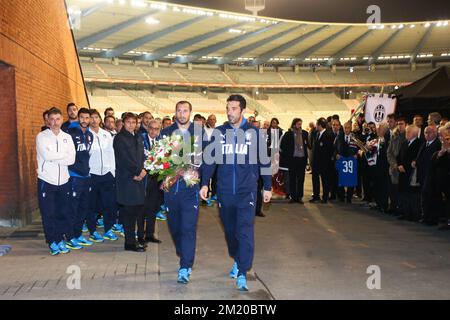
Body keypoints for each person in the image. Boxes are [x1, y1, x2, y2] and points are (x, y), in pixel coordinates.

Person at [200, 94, 272, 291]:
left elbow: (264, 160)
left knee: (245, 231)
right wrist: (205, 183)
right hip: (224, 192)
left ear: (242, 111)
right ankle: (237, 257)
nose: (229, 112)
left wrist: (267, 185)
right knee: (231, 232)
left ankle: (242, 270)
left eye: (233, 108)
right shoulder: (219, 133)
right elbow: (210, 160)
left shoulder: (255, 133)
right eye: (228, 108)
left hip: (247, 192)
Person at [160, 101, 205, 284]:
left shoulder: (200, 133)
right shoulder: (166, 133)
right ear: (175, 112)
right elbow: (160, 158)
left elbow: (207, 159)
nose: (182, 113)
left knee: (188, 228)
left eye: (185, 110)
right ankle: (183, 250)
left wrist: (202, 178)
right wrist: (163, 176)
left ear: (190, 112)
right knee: (175, 227)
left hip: (190, 189)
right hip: (171, 189)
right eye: (179, 110)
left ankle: (185, 266)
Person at [36, 108, 76, 255]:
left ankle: (60, 239)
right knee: (49, 213)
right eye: (51, 119)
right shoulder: (42, 136)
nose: (54, 122)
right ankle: (52, 241)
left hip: (64, 181)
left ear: (61, 120)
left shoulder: (67, 137)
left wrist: (56, 156)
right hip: (47, 180)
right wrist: (62, 155)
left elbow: (71, 159)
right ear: (48, 120)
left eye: (57, 119)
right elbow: (46, 155)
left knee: (62, 212)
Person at [114, 112, 147, 252]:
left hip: (138, 178)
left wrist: (143, 170)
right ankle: (129, 243)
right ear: (123, 123)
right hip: (127, 179)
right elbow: (123, 159)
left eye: (134, 122)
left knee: (137, 211)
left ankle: (136, 239)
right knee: (128, 213)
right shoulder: (120, 138)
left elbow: (141, 156)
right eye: (129, 122)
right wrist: (136, 173)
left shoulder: (138, 137)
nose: (132, 125)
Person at [88, 110, 120, 243]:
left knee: (109, 204)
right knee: (93, 206)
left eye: (96, 117)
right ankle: (92, 230)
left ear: (100, 119)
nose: (94, 120)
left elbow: (111, 154)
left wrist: (112, 171)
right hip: (93, 175)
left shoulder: (106, 134)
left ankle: (108, 229)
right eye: (91, 117)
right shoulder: (86, 135)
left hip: (107, 174)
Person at [66, 108, 94, 250]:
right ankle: (70, 237)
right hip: (74, 176)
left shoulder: (90, 135)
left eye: (87, 118)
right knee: (73, 208)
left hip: (86, 176)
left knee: (83, 208)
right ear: (78, 118)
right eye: (81, 117)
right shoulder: (70, 133)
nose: (84, 120)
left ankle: (77, 235)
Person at [140, 119, 164, 244]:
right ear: (148, 128)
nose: (154, 131)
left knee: (153, 208)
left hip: (157, 179)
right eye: (152, 128)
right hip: (143, 179)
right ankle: (140, 235)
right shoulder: (140, 139)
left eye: (157, 129)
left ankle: (150, 234)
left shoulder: (162, 141)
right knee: (142, 208)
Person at [414, 126, 442, 225]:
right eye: (425, 133)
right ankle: (425, 216)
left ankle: (432, 218)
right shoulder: (424, 144)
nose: (427, 135)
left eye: (429, 132)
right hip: (423, 174)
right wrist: (416, 162)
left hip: (432, 176)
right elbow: (419, 157)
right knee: (425, 196)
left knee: (432, 197)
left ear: (435, 133)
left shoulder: (437, 144)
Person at [280, 118, 308, 204]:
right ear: (294, 124)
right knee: (292, 179)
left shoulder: (304, 133)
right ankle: (293, 196)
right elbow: (283, 147)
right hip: (292, 160)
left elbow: (308, 145)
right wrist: (287, 157)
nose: (300, 126)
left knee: (301, 179)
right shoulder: (288, 134)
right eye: (298, 124)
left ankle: (299, 197)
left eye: (300, 124)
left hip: (301, 159)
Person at [397, 125, 421, 221]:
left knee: (412, 194)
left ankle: (413, 214)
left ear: (415, 133)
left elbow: (416, 158)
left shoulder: (419, 143)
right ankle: (404, 212)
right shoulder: (404, 143)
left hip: (411, 172)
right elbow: (398, 156)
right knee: (403, 193)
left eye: (408, 132)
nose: (406, 134)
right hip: (402, 171)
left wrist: (405, 166)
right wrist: (399, 165)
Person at [310, 118, 335, 203]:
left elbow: (329, 150)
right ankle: (316, 196)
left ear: (320, 125)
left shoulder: (329, 134)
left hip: (325, 162)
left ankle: (325, 197)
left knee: (325, 180)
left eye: (317, 124)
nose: (316, 126)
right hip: (316, 162)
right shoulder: (317, 134)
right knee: (315, 179)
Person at [387, 117, 407, 214]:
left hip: (403, 167)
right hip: (393, 167)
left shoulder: (408, 136)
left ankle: (401, 208)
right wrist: (394, 164)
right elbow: (389, 152)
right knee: (393, 188)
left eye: (402, 123)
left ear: (406, 125)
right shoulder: (394, 135)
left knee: (401, 189)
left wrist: (399, 164)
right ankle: (393, 207)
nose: (400, 125)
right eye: (398, 123)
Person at [335, 121, 359, 204]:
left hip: (351, 162)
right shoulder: (339, 137)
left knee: (350, 179)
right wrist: (336, 155)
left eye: (348, 127)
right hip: (342, 161)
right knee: (341, 178)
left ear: (351, 128)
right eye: (345, 127)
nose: (346, 129)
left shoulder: (355, 137)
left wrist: (356, 154)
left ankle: (349, 198)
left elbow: (359, 148)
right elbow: (334, 148)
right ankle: (341, 197)